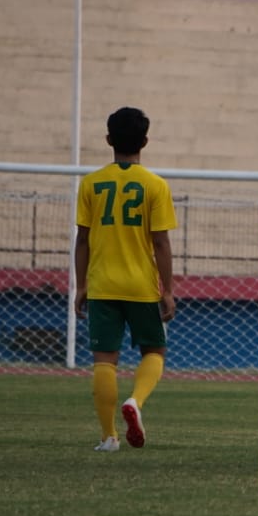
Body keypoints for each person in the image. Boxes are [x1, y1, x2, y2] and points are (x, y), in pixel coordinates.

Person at [73, 107, 177, 452]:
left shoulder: (90, 183)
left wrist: (82, 285)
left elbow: (83, 239)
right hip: (140, 286)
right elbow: (161, 242)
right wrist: (169, 289)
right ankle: (136, 401)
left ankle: (108, 437)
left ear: (108, 140)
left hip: (102, 284)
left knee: (104, 360)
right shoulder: (155, 185)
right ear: (145, 142)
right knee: (155, 350)